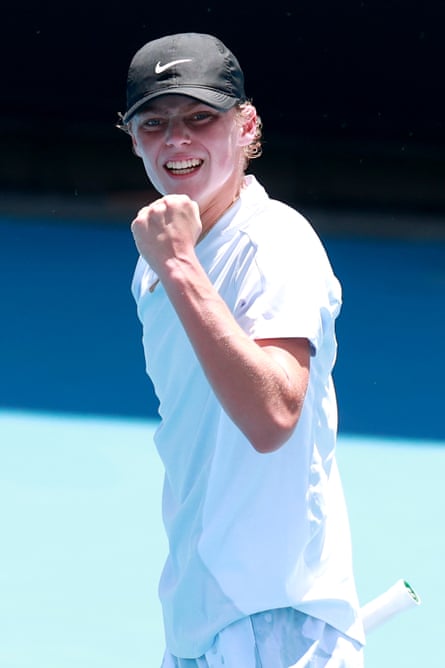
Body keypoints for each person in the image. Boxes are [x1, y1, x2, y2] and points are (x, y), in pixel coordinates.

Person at [118, 32, 365, 667]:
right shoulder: (161, 258)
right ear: (131, 135)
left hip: (278, 621)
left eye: (201, 117)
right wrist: (173, 262)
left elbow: (272, 416)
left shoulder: (275, 242)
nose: (178, 140)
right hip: (199, 617)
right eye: (155, 123)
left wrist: (177, 265)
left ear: (246, 125)